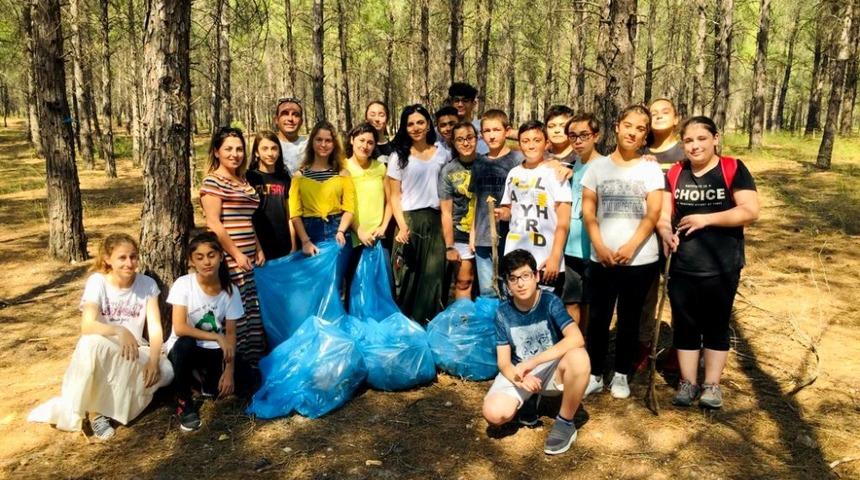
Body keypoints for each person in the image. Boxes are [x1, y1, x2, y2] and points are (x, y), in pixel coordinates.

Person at [28, 234, 173, 440]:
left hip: (134, 351)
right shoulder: (97, 282)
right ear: (107, 259)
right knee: (91, 343)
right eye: (122, 258)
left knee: (167, 372)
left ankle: (115, 406)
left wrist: (153, 360)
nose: (129, 263)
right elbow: (87, 325)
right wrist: (119, 331)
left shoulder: (147, 284)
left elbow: (156, 327)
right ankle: (96, 413)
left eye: (133, 257)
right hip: (104, 346)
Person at [658, 116, 759, 409]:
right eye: (688, 141)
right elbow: (665, 214)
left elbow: (750, 211)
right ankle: (688, 383)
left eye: (701, 139)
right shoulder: (676, 172)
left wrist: (707, 219)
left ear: (715, 138)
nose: (695, 146)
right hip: (682, 262)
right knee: (686, 325)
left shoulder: (733, 168)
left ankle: (712, 385)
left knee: (716, 323)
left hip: (722, 262)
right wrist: (665, 231)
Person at [580, 105, 664, 400]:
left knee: (629, 319)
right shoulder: (597, 168)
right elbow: (588, 211)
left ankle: (621, 374)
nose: (633, 132)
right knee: (599, 319)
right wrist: (600, 246)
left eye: (640, 129)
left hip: (639, 260)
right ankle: (593, 373)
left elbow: (653, 213)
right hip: (601, 258)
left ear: (645, 136)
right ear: (617, 126)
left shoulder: (651, 169)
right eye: (628, 125)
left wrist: (630, 247)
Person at [482, 249, 590, 456]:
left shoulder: (550, 302)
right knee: (493, 414)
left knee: (579, 357)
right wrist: (520, 379)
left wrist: (532, 363)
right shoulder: (503, 312)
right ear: (507, 283)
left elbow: (576, 338)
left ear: (536, 276)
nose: (520, 284)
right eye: (513, 279)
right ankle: (529, 400)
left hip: (550, 368)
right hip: (520, 372)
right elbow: (504, 363)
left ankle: (565, 423)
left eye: (525, 276)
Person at [165, 233, 258, 431]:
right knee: (185, 344)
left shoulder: (230, 290)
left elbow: (231, 334)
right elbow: (180, 327)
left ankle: (202, 385)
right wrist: (217, 336)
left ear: (221, 256)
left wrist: (229, 371)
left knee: (249, 380)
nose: (206, 262)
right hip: (184, 348)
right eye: (199, 257)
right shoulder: (184, 284)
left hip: (213, 350)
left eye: (211, 255)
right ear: (192, 261)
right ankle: (184, 403)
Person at [200, 127, 266, 368]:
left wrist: (257, 248)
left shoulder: (243, 180)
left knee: (250, 308)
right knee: (233, 312)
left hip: (248, 255)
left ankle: (252, 361)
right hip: (229, 257)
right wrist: (236, 253)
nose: (235, 154)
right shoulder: (212, 181)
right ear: (217, 152)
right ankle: (232, 366)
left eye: (239, 149)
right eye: (228, 148)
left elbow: (248, 219)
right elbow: (213, 223)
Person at [635, 97, 687, 371]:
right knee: (645, 294)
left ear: (676, 117)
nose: (658, 116)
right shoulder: (640, 150)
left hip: (680, 233)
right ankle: (643, 346)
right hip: (644, 232)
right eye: (653, 113)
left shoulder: (685, 151)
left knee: (679, 293)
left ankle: (681, 349)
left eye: (665, 111)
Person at [387, 104, 450, 323]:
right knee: (407, 278)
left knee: (433, 279)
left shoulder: (442, 153)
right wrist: (402, 226)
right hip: (409, 221)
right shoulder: (398, 157)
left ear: (428, 124)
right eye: (410, 124)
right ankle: (406, 326)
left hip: (436, 221)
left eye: (420, 122)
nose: (415, 127)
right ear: (404, 128)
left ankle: (430, 326)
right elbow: (394, 196)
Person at [495, 121, 572, 297]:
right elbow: (509, 210)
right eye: (525, 141)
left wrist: (555, 257)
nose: (531, 145)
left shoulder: (556, 173)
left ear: (547, 143)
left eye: (537, 140)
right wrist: (501, 213)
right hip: (515, 255)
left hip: (545, 258)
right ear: (519, 144)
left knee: (544, 310)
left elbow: (563, 221)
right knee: (516, 308)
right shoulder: (514, 173)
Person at [469, 109, 523, 297]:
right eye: (487, 131)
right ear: (481, 135)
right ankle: (491, 326)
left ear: (507, 131)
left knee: (512, 288)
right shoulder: (479, 163)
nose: (492, 136)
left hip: (511, 235)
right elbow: (476, 200)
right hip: (483, 236)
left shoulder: (518, 160)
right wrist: (472, 233)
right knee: (488, 289)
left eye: (496, 130)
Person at [562, 113, 606, 331]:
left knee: (589, 301)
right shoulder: (574, 164)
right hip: (571, 246)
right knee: (571, 299)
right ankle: (573, 345)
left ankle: (587, 345)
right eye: (573, 136)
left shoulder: (605, 165)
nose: (578, 141)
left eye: (584, 135)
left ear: (596, 136)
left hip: (594, 247)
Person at [289, 121, 355, 255]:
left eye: (328, 140)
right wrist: (305, 241)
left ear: (334, 144)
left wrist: (341, 231)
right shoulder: (299, 177)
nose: (323, 145)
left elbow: (349, 209)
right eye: (319, 140)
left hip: (338, 230)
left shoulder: (343, 174)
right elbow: (295, 214)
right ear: (312, 142)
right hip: (310, 234)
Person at [344, 123, 391, 298]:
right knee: (354, 287)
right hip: (353, 236)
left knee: (382, 286)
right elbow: (342, 205)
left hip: (378, 237)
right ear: (351, 140)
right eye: (361, 140)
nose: (365, 146)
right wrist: (358, 230)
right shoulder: (342, 168)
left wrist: (383, 226)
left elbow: (390, 201)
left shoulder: (380, 168)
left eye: (370, 142)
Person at [439, 121, 479, 300]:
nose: (465, 143)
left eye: (470, 138)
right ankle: (463, 323)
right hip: (460, 234)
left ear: (477, 139)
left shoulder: (487, 164)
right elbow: (446, 211)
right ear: (454, 143)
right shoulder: (448, 171)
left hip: (485, 233)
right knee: (463, 281)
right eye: (460, 139)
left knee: (489, 282)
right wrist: (450, 245)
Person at [247, 130, 294, 260]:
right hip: (259, 244)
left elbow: (290, 215)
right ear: (257, 152)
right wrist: (257, 247)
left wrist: (294, 245)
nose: (270, 153)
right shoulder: (249, 177)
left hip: (283, 242)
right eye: (265, 148)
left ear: (279, 151)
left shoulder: (285, 178)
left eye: (274, 148)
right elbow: (247, 215)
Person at [448, 82, 489, 154]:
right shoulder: (444, 129)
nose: (460, 105)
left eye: (465, 100)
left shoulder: (484, 126)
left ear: (473, 104)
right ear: (451, 103)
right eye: (456, 100)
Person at [273, 97, 308, 174]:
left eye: (295, 115)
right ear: (276, 119)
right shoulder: (268, 146)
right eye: (285, 114)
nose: (290, 119)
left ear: (301, 121)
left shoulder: (310, 147)